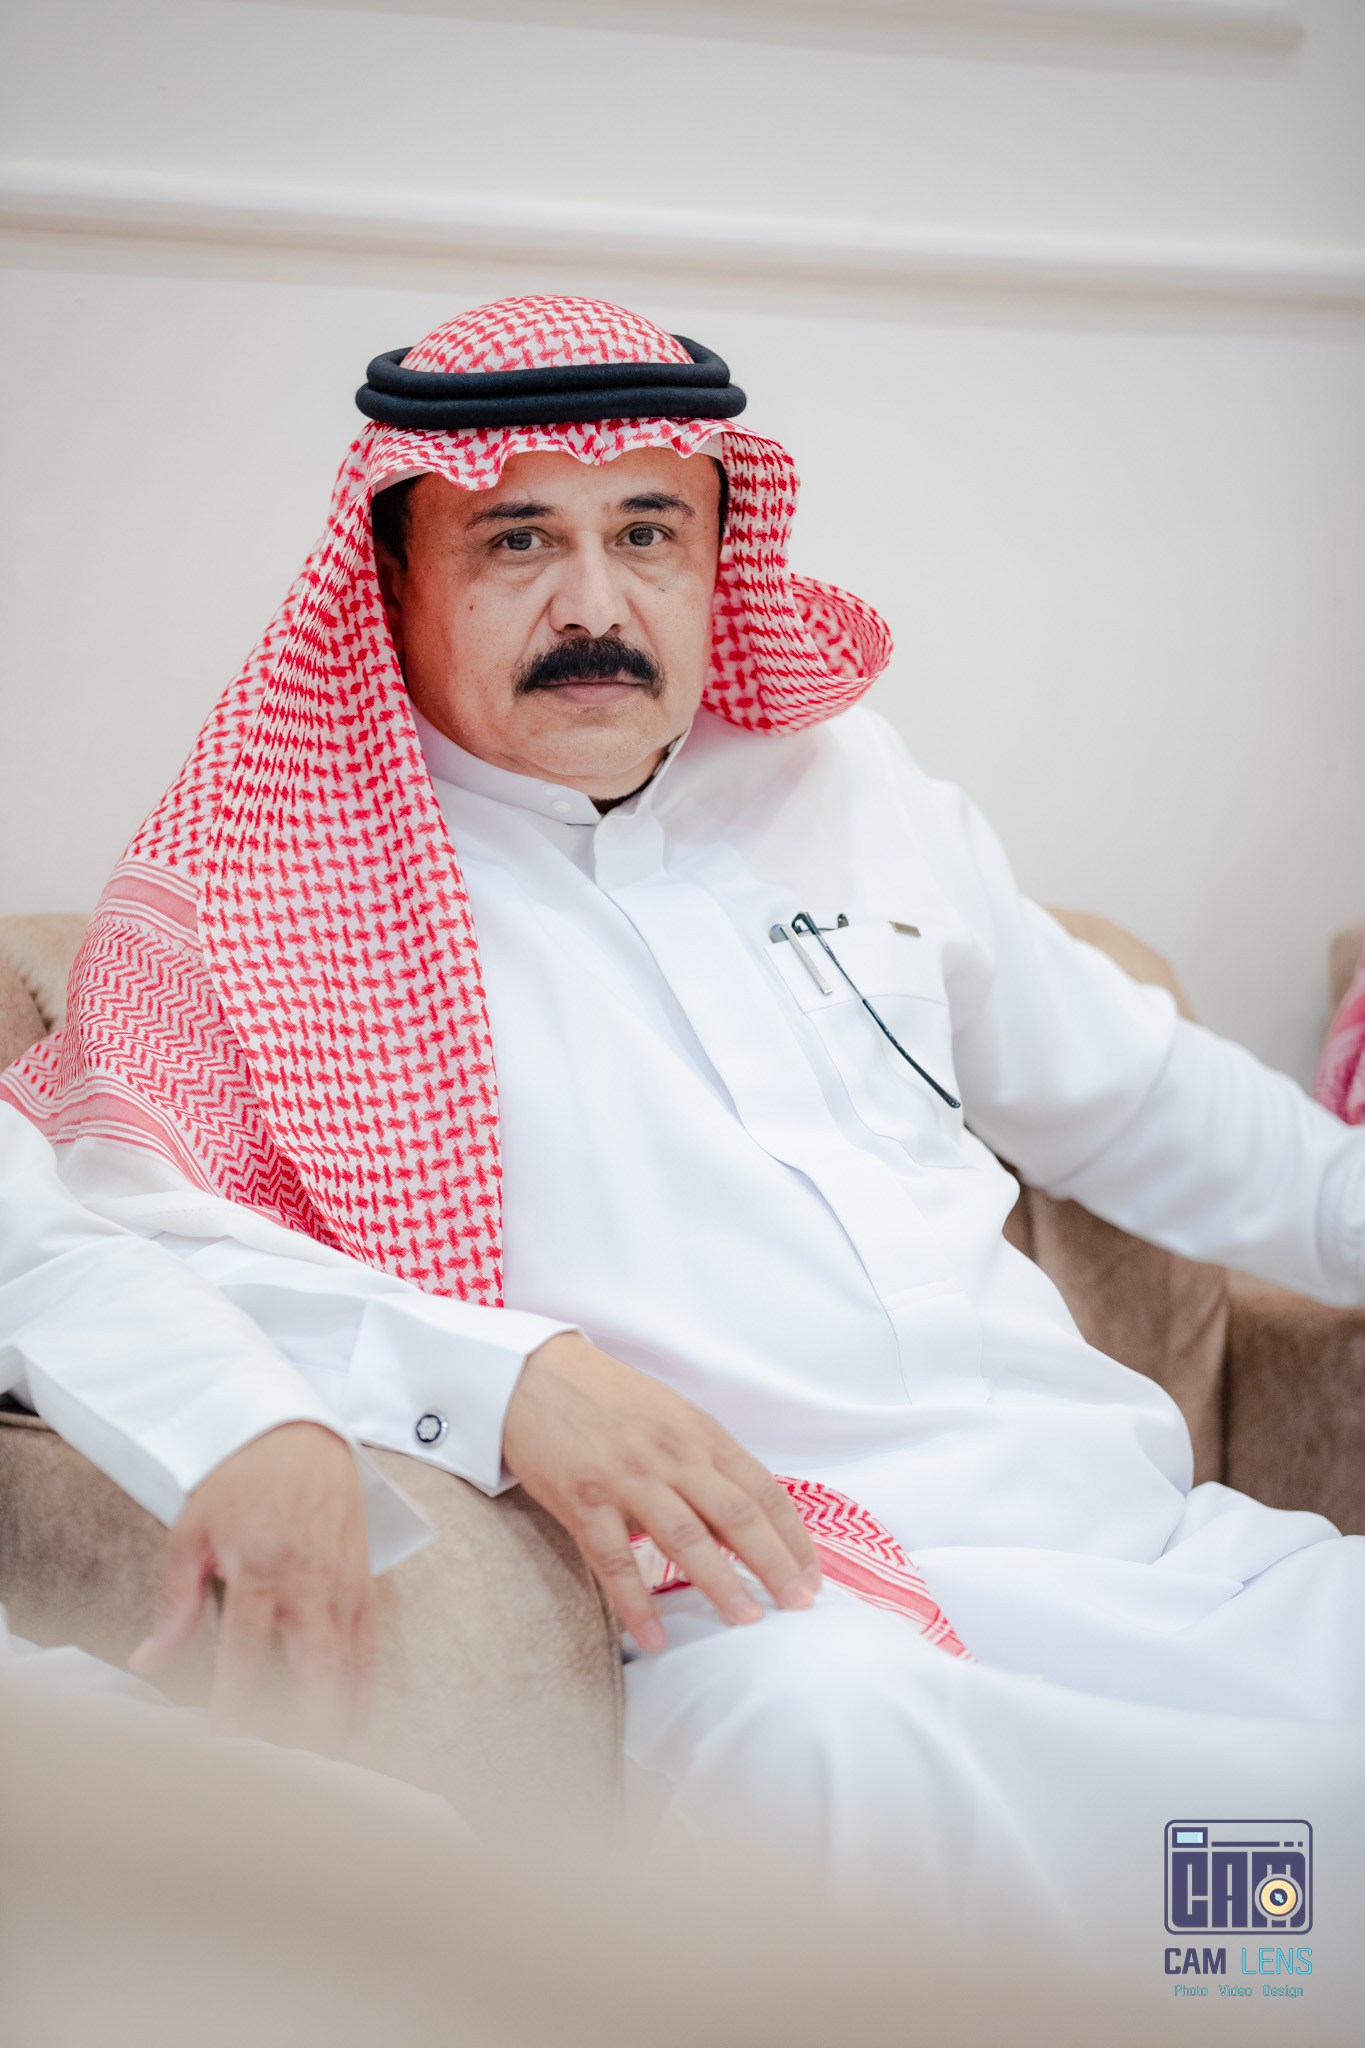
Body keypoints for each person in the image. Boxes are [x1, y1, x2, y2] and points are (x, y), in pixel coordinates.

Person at [2, 296, 1362, 1966]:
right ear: (392, 576)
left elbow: (1141, 1097)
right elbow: (125, 1233)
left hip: (1147, 1551)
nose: (596, 605)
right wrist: (513, 1378)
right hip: (790, 1611)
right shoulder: (263, 883)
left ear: (720, 556)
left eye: (647, 532)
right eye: (518, 541)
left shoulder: (841, 781)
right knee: (838, 1755)